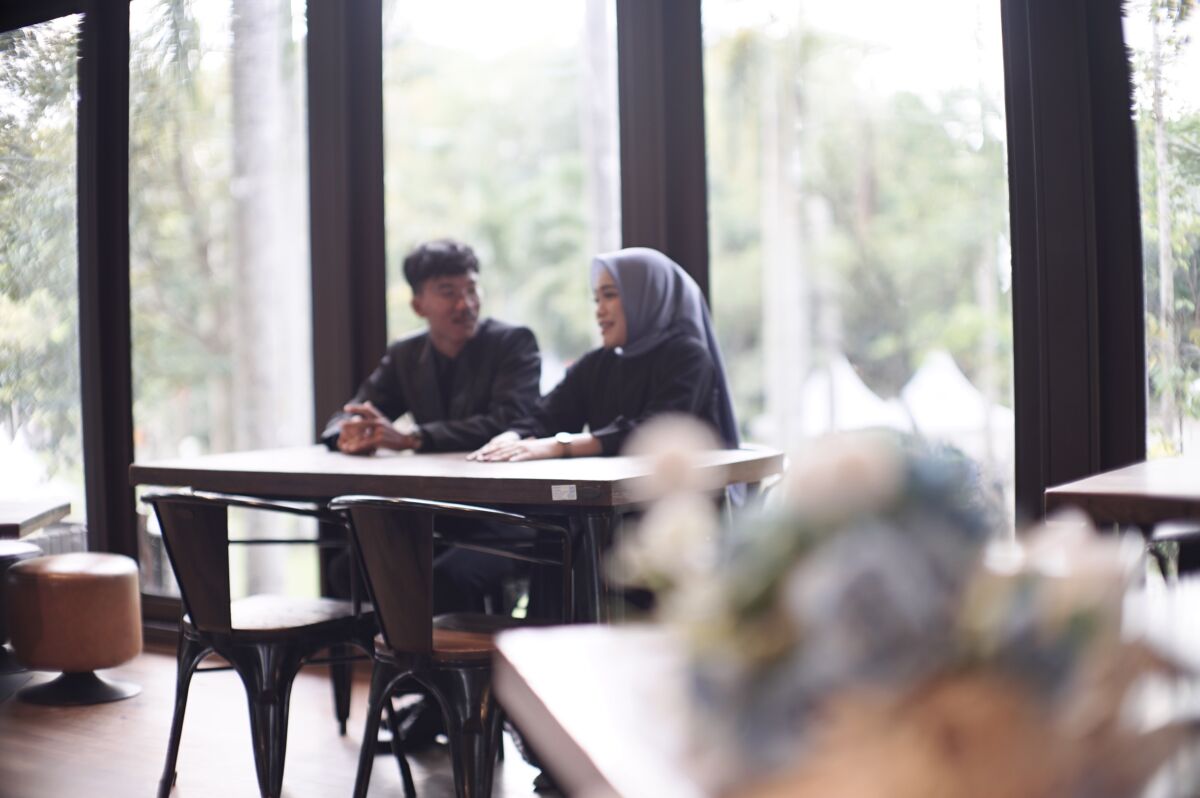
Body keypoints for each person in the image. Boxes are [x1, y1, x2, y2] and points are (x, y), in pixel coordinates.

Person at [469, 246, 739, 463]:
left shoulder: (688, 357)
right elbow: (548, 415)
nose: (599, 311)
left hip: (678, 508)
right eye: (596, 299)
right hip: (613, 506)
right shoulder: (599, 362)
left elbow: (652, 434)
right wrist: (512, 438)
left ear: (647, 296)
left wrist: (560, 446)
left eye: (609, 296)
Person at [321, 239, 540, 454]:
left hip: (497, 472)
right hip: (429, 476)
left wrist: (414, 438)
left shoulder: (513, 342)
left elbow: (511, 421)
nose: (465, 304)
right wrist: (352, 432)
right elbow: (352, 413)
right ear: (418, 306)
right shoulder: (405, 354)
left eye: (471, 289)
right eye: (448, 293)